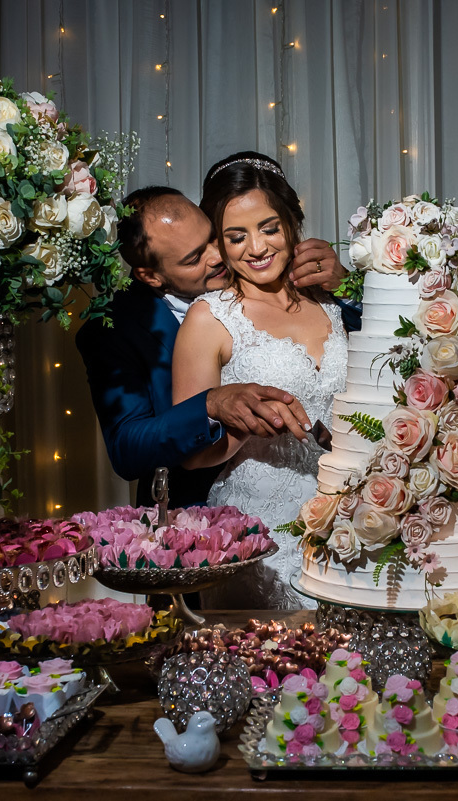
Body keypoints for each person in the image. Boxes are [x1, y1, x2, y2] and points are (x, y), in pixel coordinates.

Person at [75, 185, 352, 510]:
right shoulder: (112, 330)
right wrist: (208, 405)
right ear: (150, 275)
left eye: (212, 236)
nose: (218, 256)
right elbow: (126, 449)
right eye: (194, 258)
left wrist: (345, 282)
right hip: (207, 517)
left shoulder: (267, 267)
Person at [172, 152, 347, 610]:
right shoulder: (209, 319)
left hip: (351, 518)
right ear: (220, 244)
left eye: (269, 228)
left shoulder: (332, 303)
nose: (257, 248)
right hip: (258, 527)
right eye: (237, 236)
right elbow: (188, 454)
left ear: (292, 222)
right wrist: (243, 424)